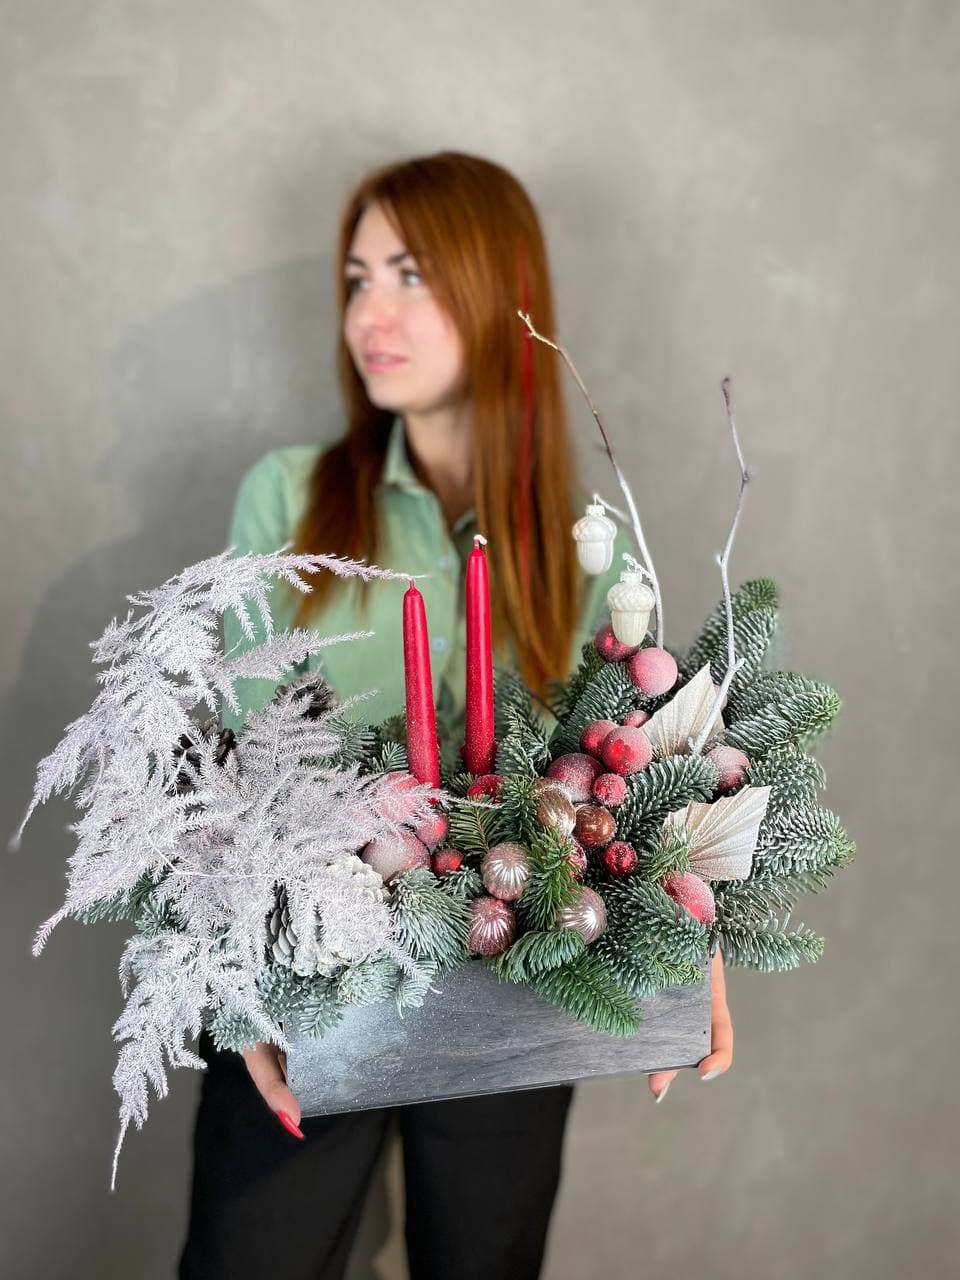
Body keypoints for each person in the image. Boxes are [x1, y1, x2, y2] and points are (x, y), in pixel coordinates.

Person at [178, 150, 733, 1280]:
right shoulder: (289, 498)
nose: (369, 314)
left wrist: (690, 917)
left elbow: (624, 767)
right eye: (357, 278)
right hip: (307, 973)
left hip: (510, 980)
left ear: (497, 294)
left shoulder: (582, 544)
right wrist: (243, 991)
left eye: (411, 275)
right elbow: (234, 773)